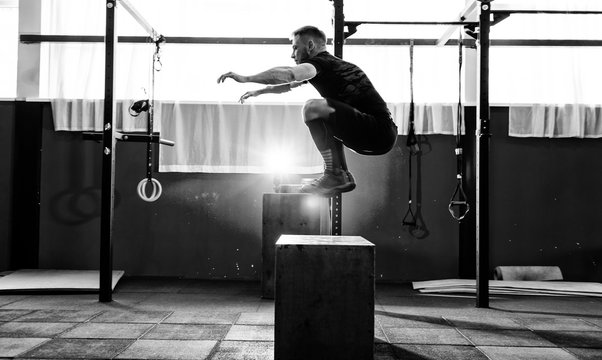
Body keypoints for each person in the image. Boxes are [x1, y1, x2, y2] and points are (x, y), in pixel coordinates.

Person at [217, 25, 397, 197]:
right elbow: (289, 84)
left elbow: (289, 74)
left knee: (312, 108)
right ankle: (338, 175)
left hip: (377, 130)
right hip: (378, 135)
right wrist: (259, 92)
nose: (292, 54)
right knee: (325, 118)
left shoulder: (320, 63)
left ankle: (334, 174)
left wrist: (246, 78)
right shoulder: (328, 67)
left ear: (310, 46)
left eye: (295, 48)